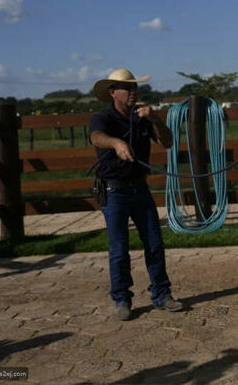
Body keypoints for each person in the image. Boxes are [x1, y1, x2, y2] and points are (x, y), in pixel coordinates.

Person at [90, 68, 183, 320]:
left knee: (154, 242)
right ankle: (122, 298)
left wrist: (154, 120)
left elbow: (168, 142)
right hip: (113, 190)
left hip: (139, 187)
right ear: (113, 93)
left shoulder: (143, 117)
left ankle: (162, 294)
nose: (133, 92)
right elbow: (97, 137)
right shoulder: (104, 118)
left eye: (135, 88)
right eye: (127, 88)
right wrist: (117, 143)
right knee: (119, 247)